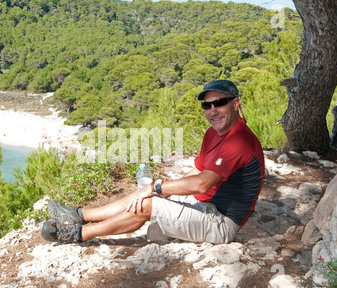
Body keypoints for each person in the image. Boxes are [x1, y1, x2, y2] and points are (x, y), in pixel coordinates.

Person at [41, 79, 265, 244]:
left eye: (220, 103)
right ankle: (80, 215)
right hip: (205, 206)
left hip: (221, 223)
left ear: (235, 103)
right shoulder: (213, 134)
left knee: (149, 200)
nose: (212, 111)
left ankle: (77, 234)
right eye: (207, 106)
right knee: (147, 193)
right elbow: (199, 175)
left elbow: (201, 183)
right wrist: (159, 189)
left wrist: (158, 187)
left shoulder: (240, 141)